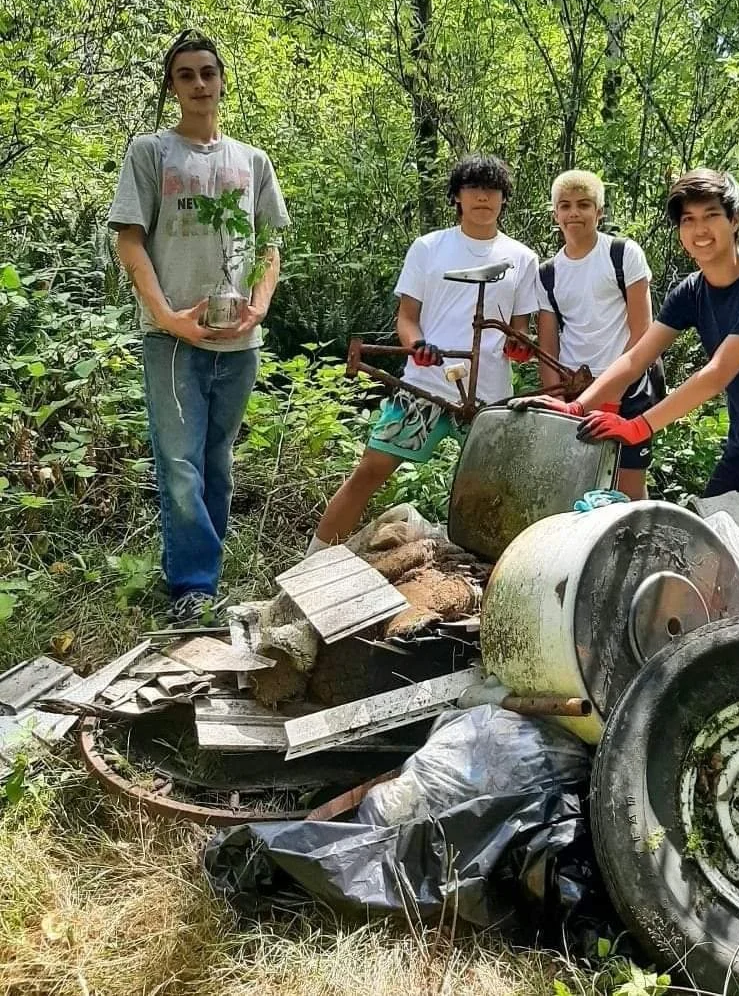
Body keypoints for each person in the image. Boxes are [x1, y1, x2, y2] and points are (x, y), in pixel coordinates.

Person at [516, 169, 739, 532]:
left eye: (711, 216)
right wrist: (577, 406)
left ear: (735, 220)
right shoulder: (692, 290)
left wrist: (639, 425)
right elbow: (637, 356)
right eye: (689, 220)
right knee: (708, 550)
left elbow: (717, 374)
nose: (700, 230)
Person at [109, 30, 289, 624]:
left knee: (217, 460)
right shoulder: (151, 153)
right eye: (185, 75)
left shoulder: (252, 161)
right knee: (179, 462)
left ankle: (204, 577)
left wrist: (260, 304)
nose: (198, 84)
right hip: (171, 340)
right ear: (172, 86)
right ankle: (192, 587)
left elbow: (270, 244)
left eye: (207, 72)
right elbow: (128, 239)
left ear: (221, 80)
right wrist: (166, 317)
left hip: (239, 340)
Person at [311, 154, 539, 549]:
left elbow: (519, 331)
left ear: (504, 198)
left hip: (489, 397)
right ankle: (309, 563)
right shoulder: (429, 247)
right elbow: (407, 318)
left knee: (493, 493)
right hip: (423, 387)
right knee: (370, 470)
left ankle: (490, 577)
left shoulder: (522, 257)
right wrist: (417, 346)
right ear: (457, 196)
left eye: (493, 190)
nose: (483, 198)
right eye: (473, 189)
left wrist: (520, 346)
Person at [536, 170, 654, 499]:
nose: (575, 213)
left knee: (629, 491)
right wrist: (557, 402)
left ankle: (642, 546)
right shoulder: (547, 274)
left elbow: (643, 331)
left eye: (584, 205)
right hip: (574, 392)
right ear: (555, 213)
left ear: (599, 212)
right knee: (577, 486)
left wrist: (613, 392)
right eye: (566, 205)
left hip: (628, 390)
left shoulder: (623, 254)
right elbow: (548, 346)